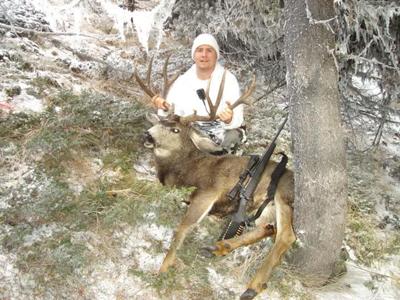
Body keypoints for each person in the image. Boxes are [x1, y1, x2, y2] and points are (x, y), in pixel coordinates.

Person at [151, 33, 246, 154]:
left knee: (228, 141)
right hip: (192, 129)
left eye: (209, 50)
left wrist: (229, 119)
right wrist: (164, 107)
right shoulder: (183, 81)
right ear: (194, 55)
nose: (204, 55)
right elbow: (173, 114)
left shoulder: (228, 79)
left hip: (222, 129)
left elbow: (237, 117)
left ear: (216, 55)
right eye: (200, 50)